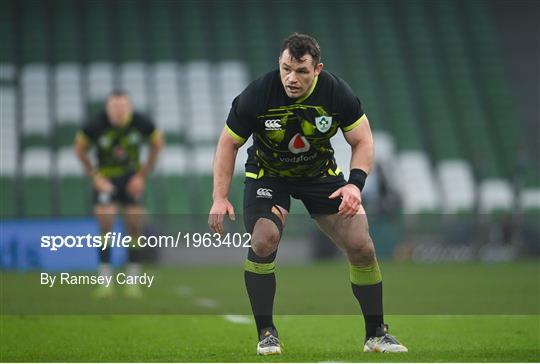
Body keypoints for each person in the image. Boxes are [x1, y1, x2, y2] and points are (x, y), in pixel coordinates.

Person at [208, 33, 407, 355]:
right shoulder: (258, 94)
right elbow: (228, 142)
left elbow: (363, 140)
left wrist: (354, 184)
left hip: (319, 175)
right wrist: (220, 196)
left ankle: (376, 334)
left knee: (361, 246)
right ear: (279, 64)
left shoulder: (336, 92)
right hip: (268, 175)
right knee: (263, 240)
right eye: (286, 68)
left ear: (317, 69)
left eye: (301, 71)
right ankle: (266, 333)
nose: (291, 78)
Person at [75, 90, 164, 298]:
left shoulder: (141, 122)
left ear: (129, 107)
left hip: (131, 178)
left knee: (134, 225)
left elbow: (157, 144)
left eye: (122, 107)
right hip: (106, 179)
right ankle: (105, 281)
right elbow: (79, 149)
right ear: (107, 108)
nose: (118, 111)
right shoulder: (95, 124)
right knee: (105, 223)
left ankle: (133, 280)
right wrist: (95, 176)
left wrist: (142, 176)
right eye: (114, 107)